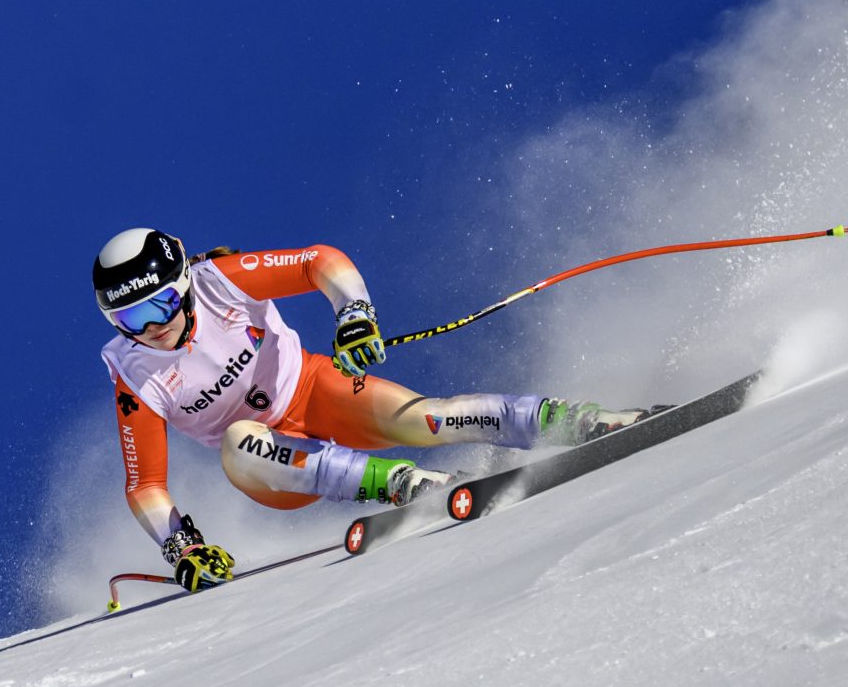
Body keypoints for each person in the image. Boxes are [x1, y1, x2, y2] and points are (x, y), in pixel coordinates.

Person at [94, 228, 651, 593]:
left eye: (161, 303)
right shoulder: (134, 372)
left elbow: (318, 261)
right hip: (270, 468)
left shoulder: (219, 282)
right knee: (240, 441)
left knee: (425, 419)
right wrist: (181, 547)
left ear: (184, 284)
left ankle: (576, 421)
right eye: (131, 319)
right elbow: (145, 484)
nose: (153, 327)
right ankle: (405, 485)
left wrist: (354, 314)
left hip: (314, 388)